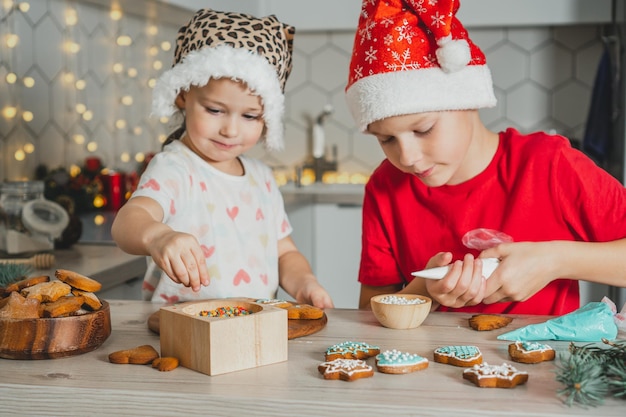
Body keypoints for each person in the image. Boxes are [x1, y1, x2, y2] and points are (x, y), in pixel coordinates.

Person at [345, 0, 626, 315]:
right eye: (387, 140)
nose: (407, 157)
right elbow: (369, 314)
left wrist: (554, 261)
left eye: (423, 130)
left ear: (467, 99)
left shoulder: (548, 165)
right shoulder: (385, 187)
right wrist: (426, 291)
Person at [112, 8, 333, 308]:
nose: (230, 130)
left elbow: (284, 254)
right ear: (182, 95)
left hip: (253, 328)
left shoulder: (262, 178)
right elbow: (127, 221)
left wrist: (305, 282)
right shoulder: (175, 168)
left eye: (250, 116)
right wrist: (157, 237)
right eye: (215, 110)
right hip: (183, 332)